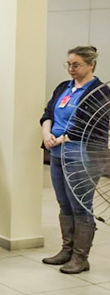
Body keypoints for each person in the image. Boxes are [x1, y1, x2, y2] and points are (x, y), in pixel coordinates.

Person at [40, 46, 109, 274]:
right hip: (58, 154)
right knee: (64, 204)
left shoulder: (100, 92)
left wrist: (62, 138)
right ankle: (66, 250)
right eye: (68, 64)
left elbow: (96, 127)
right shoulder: (64, 88)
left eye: (76, 65)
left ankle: (80, 257)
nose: (71, 69)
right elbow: (48, 113)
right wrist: (47, 134)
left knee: (80, 206)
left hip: (83, 155)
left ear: (91, 65)